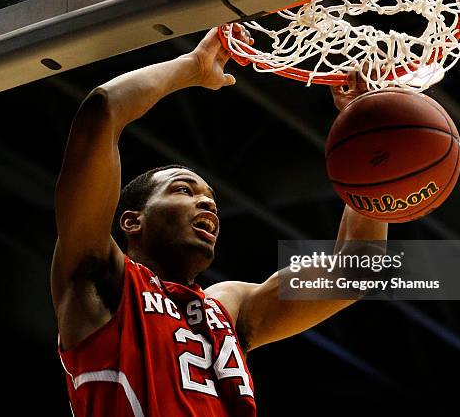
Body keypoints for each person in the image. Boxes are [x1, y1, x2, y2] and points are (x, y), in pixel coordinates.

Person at [51, 24, 387, 417]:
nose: (207, 205)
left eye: (211, 199)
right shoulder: (99, 277)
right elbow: (102, 111)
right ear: (131, 221)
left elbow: (356, 273)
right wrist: (191, 65)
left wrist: (371, 147)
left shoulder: (225, 307)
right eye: (184, 191)